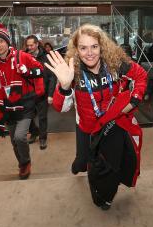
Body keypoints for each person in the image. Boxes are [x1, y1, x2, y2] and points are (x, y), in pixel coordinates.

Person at [46, 24, 147, 210]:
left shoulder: (115, 63)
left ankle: (103, 197)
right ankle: (78, 165)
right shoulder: (71, 71)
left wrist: (134, 100)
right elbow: (60, 107)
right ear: (77, 50)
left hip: (111, 125)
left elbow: (140, 75)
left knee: (110, 165)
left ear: (102, 47)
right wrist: (65, 86)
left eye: (94, 46)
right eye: (83, 47)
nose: (89, 53)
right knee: (83, 161)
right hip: (86, 128)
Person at [0, 23, 44, 180]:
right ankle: (22, 163)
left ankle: (26, 162)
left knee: (19, 137)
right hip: (5, 108)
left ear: (7, 42)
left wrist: (28, 72)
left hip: (24, 104)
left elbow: (41, 70)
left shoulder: (21, 56)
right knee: (14, 141)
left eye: (1, 41)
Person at [25, 35, 57, 149]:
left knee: (42, 117)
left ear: (37, 44)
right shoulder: (24, 56)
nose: (29, 47)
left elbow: (52, 77)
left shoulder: (46, 57)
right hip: (28, 94)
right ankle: (34, 132)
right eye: (27, 45)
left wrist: (50, 94)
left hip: (42, 93)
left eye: (31, 45)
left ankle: (43, 138)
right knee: (27, 117)